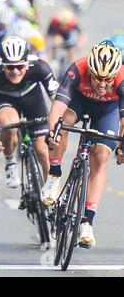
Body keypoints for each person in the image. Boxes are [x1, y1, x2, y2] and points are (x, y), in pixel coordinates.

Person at [43, 41, 123, 248]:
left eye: (108, 79)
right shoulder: (78, 68)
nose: (103, 84)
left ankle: (87, 221)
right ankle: (54, 175)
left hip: (108, 110)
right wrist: (53, 132)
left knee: (101, 157)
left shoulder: (121, 79)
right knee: (64, 123)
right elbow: (58, 106)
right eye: (98, 78)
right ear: (91, 71)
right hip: (80, 101)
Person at [0, 36, 59, 188]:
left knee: (43, 151)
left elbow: (58, 101)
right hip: (3, 98)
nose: (15, 71)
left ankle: (52, 194)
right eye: (10, 67)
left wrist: (61, 124)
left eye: (20, 66)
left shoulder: (40, 67)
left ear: (27, 63)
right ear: (2, 65)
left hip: (32, 96)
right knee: (11, 125)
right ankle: (10, 161)